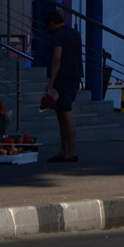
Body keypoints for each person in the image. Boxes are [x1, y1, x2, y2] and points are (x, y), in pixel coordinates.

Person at [45, 9, 83, 163]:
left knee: (66, 114)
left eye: (48, 26)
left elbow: (57, 59)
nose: (48, 30)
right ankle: (64, 151)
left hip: (63, 79)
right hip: (75, 77)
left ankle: (71, 151)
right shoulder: (74, 33)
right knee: (61, 113)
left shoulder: (58, 35)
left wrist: (51, 82)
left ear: (52, 23)